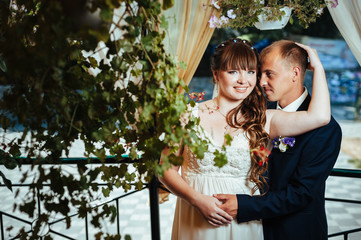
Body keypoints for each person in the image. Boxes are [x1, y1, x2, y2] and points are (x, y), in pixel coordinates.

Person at [158, 38, 331, 240]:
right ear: (216, 74)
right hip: (194, 219)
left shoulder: (265, 119)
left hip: (243, 223)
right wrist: (197, 200)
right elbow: (165, 169)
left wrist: (318, 67)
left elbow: (320, 117)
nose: (243, 80)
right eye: (233, 72)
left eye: (250, 72)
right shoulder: (187, 115)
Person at [215, 40, 342, 240]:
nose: (261, 82)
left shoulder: (325, 129)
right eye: (260, 73)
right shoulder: (260, 114)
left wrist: (244, 205)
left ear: (295, 73)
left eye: (269, 74)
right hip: (247, 230)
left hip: (294, 232)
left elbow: (301, 193)